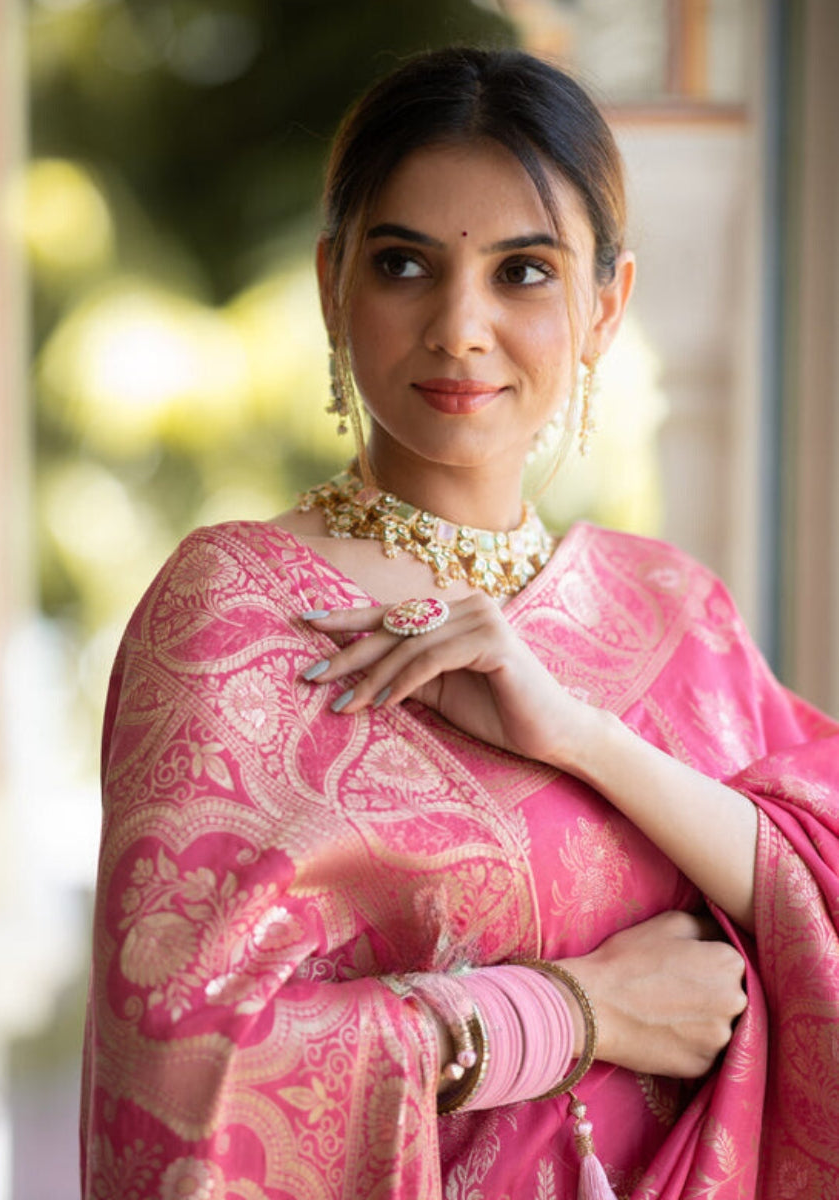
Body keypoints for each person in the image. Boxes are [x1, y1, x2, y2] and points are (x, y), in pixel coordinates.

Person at [80, 47, 839, 1200]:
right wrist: (569, 1013)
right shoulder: (236, 609)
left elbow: (816, 889)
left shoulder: (673, 612)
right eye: (404, 264)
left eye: (525, 272)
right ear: (334, 281)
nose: (460, 326)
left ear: (606, 306)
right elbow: (185, 1078)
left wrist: (579, 736)